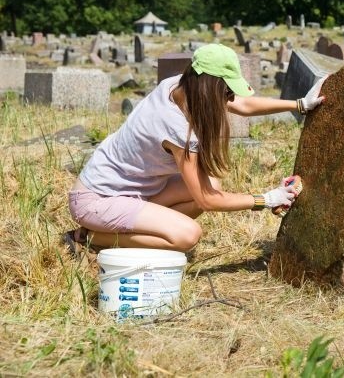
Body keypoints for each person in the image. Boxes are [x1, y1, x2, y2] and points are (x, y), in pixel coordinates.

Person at [64, 43, 326, 253]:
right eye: (226, 91)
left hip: (131, 190)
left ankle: (131, 227)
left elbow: (243, 106)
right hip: (97, 201)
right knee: (187, 236)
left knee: (212, 183)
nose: (230, 98)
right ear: (209, 87)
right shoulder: (177, 129)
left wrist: (300, 104)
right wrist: (267, 199)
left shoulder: (179, 85)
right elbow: (206, 201)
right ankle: (90, 237)